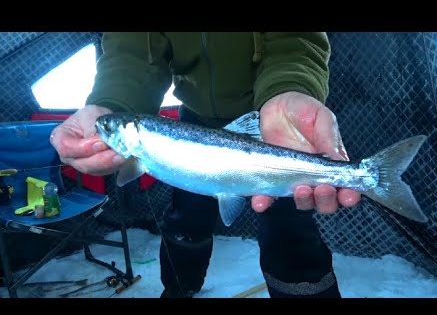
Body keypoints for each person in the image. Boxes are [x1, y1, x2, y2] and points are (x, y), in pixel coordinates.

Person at [50, 32, 361, 298]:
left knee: (290, 235)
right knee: (185, 223)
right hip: (193, 122)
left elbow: (295, 39)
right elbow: (131, 50)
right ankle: (177, 291)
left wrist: (291, 87)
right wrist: (112, 102)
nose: (106, 130)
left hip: (277, 123)